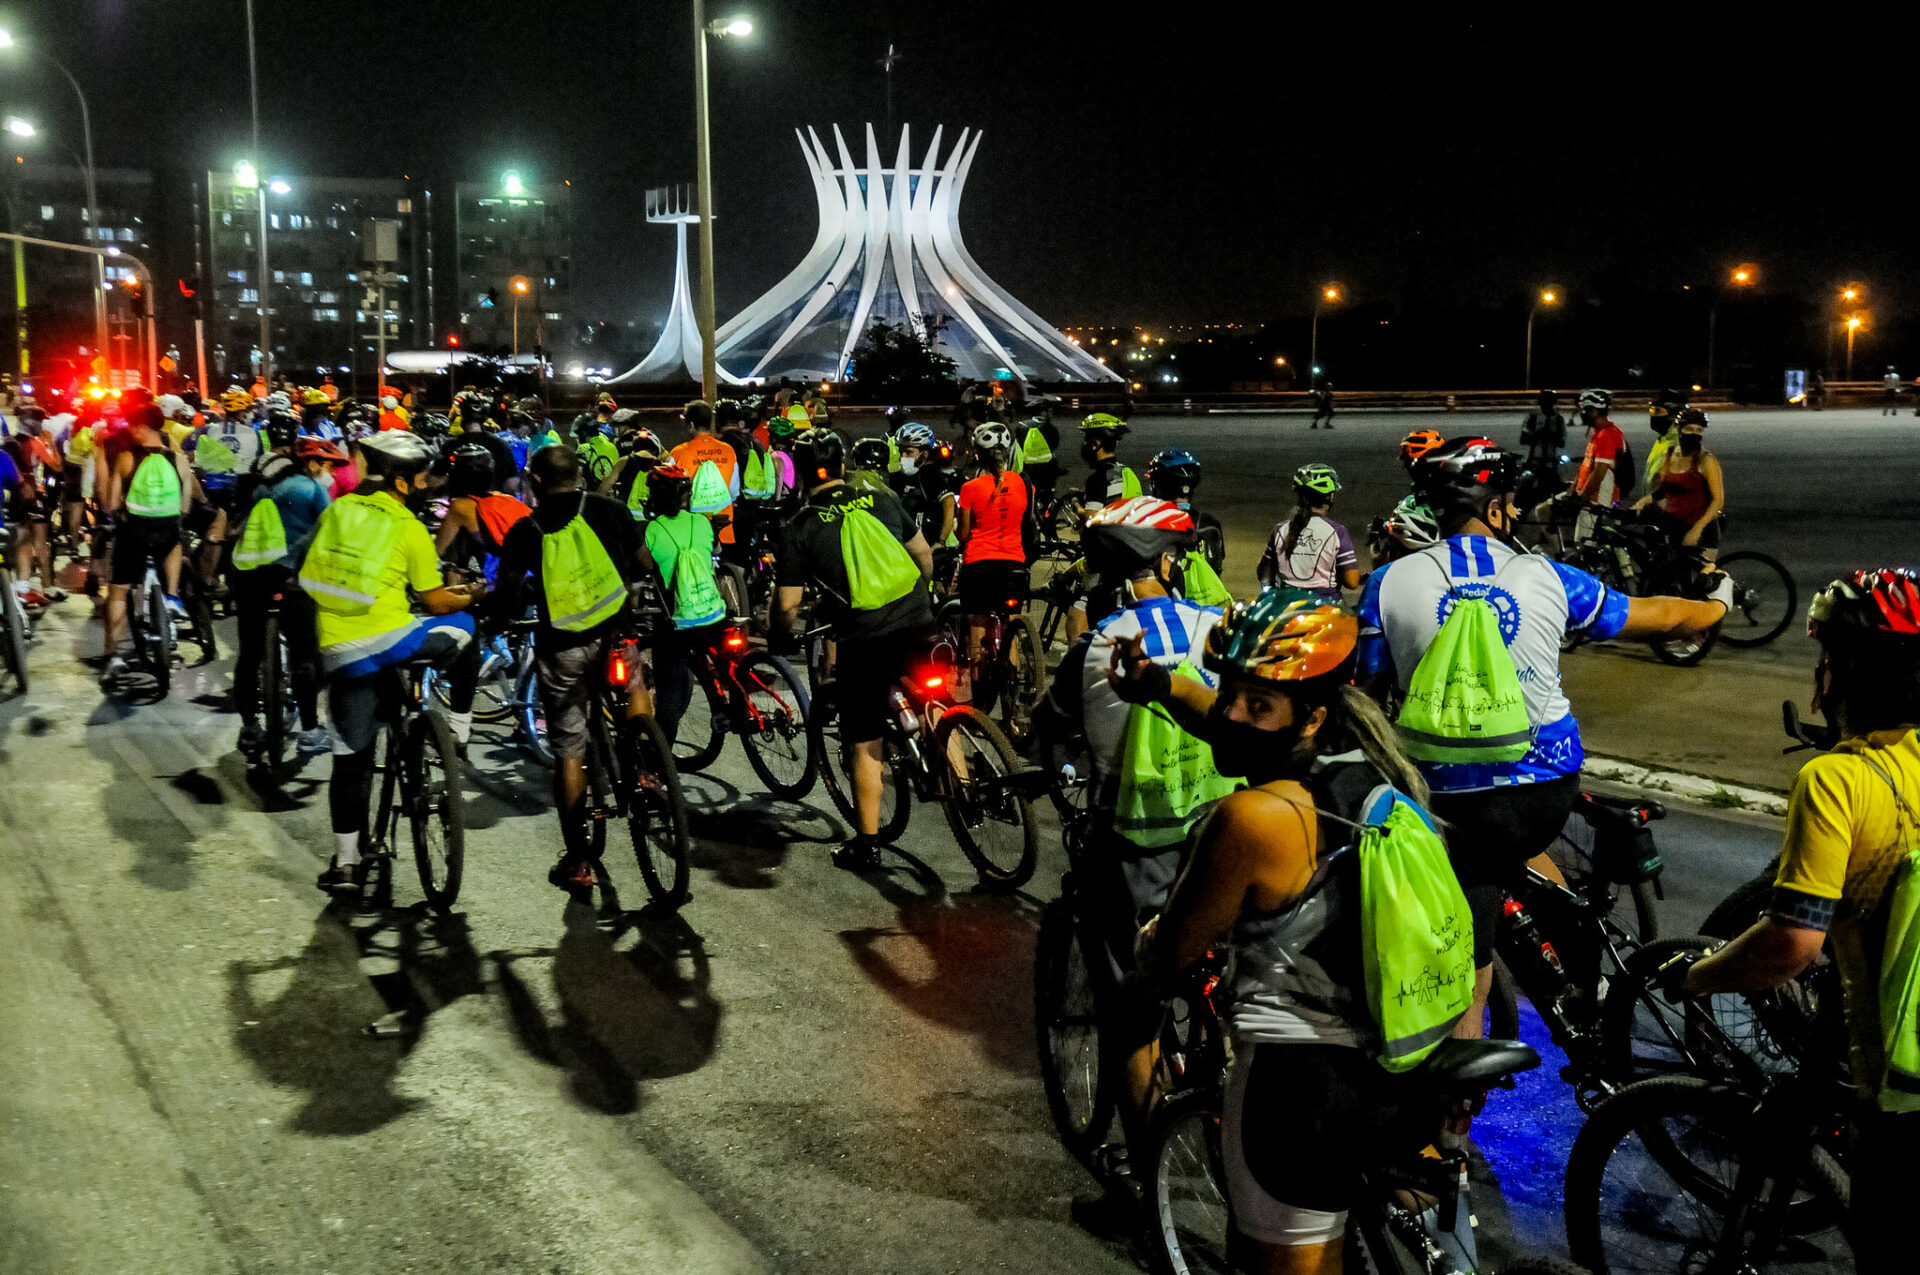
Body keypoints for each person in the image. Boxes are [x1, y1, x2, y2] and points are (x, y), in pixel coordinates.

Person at [1114, 592, 1450, 1273]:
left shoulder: (1253, 817)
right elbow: (1235, 726)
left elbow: (1176, 948)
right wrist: (1159, 684)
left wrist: (1142, 966)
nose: (1233, 713)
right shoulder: (1382, 776)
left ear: (1312, 716)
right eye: (1229, 693)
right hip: (1405, 1071)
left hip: (1303, 1093)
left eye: (1257, 702)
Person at [1361, 436, 1732, 1036]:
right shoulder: (1548, 576)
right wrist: (1716, 603)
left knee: (1469, 950)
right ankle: (1592, 985)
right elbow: (1658, 617)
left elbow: (1368, 693)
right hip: (1546, 792)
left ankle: (1460, 1092)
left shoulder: (1386, 583)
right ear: (1496, 507)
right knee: (1526, 851)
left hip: (1450, 802)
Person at [1672, 567, 1920, 1275]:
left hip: (1902, 1077)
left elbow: (1790, 944)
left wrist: (1698, 974)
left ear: (1839, 674)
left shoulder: (1837, 781)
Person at [1042, 494, 1229, 1167]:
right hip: (1225, 833)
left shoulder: (1094, 647)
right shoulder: (1219, 625)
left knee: (1131, 1008)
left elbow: (1056, 728)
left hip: (1136, 845)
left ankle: (1149, 1163)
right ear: (1169, 562)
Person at [490, 444, 658, 893]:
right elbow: (646, 563)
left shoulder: (526, 529)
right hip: (616, 634)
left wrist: (502, 614)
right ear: (580, 474)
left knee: (569, 749)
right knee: (635, 680)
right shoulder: (612, 510)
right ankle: (645, 765)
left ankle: (580, 861)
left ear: (537, 481)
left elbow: (505, 597)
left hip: (562, 648)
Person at [774, 430, 934, 870]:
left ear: (800, 476)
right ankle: (962, 782)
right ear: (843, 466)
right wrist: (927, 595)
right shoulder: (881, 498)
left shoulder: (799, 527)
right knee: (934, 699)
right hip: (919, 616)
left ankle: (867, 844)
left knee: (864, 740)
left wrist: (779, 635)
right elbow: (923, 556)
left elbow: (787, 603)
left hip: (866, 636)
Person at [231, 435, 344, 758]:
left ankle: (250, 726)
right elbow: (333, 533)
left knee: (249, 655)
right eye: (327, 465)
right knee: (305, 657)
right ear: (311, 464)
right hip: (292, 581)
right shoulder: (312, 490)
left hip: (250, 578)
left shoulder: (260, 487)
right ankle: (310, 730)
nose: (331, 473)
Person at [99, 404, 200, 685]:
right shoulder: (178, 460)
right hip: (166, 530)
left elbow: (112, 502)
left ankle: (113, 655)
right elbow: (185, 502)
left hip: (134, 532)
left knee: (118, 592)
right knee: (174, 542)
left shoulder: (126, 458)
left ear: (141, 428)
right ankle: (171, 597)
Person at [640, 461, 728, 746]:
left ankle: (661, 759)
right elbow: (715, 552)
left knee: (669, 689)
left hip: (677, 623)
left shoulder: (651, 531)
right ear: (685, 496)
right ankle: (729, 706)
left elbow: (643, 570)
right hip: (713, 615)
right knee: (724, 662)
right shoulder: (702, 522)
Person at [954, 422, 1031, 693]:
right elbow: (1026, 522)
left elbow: (963, 534)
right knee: (1008, 621)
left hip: (980, 566)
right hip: (1015, 565)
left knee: (976, 623)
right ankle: (1014, 680)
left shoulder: (970, 488)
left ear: (977, 452)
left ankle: (980, 692)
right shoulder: (1023, 484)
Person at [1258, 464, 1362, 600]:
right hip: (1324, 607)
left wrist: (1273, 593)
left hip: (1286, 606)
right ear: (1330, 496)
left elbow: (1264, 573)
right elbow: (1352, 582)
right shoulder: (1337, 532)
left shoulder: (1279, 530)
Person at [1634, 407, 1725, 560]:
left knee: (1703, 579)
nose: (1694, 434)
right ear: (1679, 429)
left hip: (1702, 529)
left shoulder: (1706, 461)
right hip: (1677, 526)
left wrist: (1696, 530)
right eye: (1689, 429)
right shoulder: (1669, 455)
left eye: (1698, 430)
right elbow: (1663, 489)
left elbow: (1718, 501)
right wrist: (1641, 503)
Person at [433, 441, 530, 583]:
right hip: (529, 570)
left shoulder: (460, 506)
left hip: (505, 578)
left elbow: (437, 550)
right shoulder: (508, 499)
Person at [3, 404, 64, 604]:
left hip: (14, 500)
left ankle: (20, 585)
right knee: (39, 544)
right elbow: (57, 465)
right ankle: (48, 587)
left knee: (21, 539)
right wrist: (52, 443)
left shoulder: (9, 443)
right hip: (34, 497)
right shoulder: (34, 443)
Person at [670, 399, 741, 550]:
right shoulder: (728, 450)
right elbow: (734, 490)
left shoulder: (678, 453)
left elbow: (671, 492)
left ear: (691, 425)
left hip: (692, 527)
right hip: (723, 523)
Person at [889, 421, 958, 548]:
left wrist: (940, 542)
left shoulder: (930, 475)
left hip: (928, 547)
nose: (902, 456)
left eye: (908, 452)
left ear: (924, 453)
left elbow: (949, 504)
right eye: (901, 451)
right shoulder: (898, 477)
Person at [1572, 387, 1630, 511]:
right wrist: (1572, 491)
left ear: (1595, 411)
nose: (1583, 414)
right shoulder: (1599, 433)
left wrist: (1583, 498)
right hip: (1587, 496)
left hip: (1596, 501)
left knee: (1584, 530)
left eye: (1586, 410)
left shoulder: (1607, 436)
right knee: (1544, 510)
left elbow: (1599, 473)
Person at [1518, 391, 1566, 473]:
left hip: (1550, 463)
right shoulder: (1532, 417)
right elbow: (1523, 440)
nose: (1546, 405)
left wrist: (1551, 435)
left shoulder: (1558, 419)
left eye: (1548, 402)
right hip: (1533, 461)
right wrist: (1539, 434)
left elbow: (1561, 443)